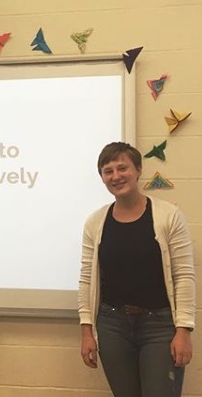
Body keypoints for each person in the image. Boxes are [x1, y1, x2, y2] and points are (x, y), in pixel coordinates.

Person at [78, 142, 195, 396]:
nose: (116, 176)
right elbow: (86, 279)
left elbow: (184, 275)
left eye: (122, 168)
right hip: (112, 326)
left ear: (138, 170)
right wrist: (87, 331)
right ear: (102, 178)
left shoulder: (169, 216)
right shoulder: (95, 223)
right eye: (108, 171)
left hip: (160, 326)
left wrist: (183, 330)